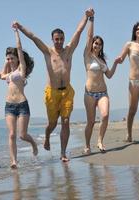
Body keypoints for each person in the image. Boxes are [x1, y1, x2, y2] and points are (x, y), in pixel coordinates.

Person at [13, 8, 93, 162]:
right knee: (52, 123)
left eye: (61, 39)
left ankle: (63, 153)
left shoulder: (68, 51)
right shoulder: (48, 52)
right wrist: (20, 27)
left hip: (67, 92)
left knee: (65, 121)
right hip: (52, 92)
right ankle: (48, 136)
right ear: (52, 39)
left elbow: (78, 31)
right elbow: (33, 37)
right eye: (56, 39)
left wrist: (86, 16)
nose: (59, 41)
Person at [83, 9, 120, 154]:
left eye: (99, 44)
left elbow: (109, 75)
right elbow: (89, 35)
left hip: (103, 93)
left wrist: (116, 63)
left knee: (105, 116)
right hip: (89, 94)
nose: (97, 45)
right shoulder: (87, 56)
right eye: (95, 43)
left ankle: (100, 141)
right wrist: (91, 19)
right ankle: (87, 145)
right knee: (91, 122)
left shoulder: (102, 60)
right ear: (92, 44)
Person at [1, 23, 38, 169]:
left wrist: (16, 32)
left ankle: (33, 143)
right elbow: (2, 74)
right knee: (11, 135)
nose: (10, 60)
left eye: (12, 58)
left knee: (22, 135)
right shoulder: (7, 74)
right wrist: (6, 60)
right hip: (9, 106)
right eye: (8, 59)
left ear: (17, 59)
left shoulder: (21, 70)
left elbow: (20, 49)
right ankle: (14, 161)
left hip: (22, 104)